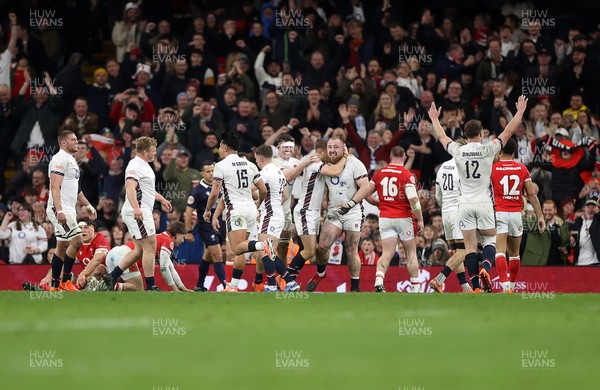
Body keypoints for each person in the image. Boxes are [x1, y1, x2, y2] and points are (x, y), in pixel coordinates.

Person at [427, 95, 528, 292]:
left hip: (463, 205)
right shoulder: (489, 149)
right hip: (484, 203)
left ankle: (475, 287)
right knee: (490, 240)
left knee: (470, 248)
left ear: (465, 135)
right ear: (481, 134)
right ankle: (486, 269)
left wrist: (434, 119)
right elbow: (508, 132)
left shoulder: (457, 150)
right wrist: (520, 112)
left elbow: (441, 137)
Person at [203, 132, 269, 292]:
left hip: (236, 211)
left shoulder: (221, 165)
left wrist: (207, 210)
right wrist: (258, 205)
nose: (219, 148)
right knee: (242, 250)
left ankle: (263, 245)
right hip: (251, 210)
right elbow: (263, 190)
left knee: (237, 248)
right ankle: (233, 286)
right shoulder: (250, 165)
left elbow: (214, 192)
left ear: (224, 147)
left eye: (220, 146)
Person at [106, 136, 172, 291]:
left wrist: (161, 199)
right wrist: (136, 208)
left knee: (139, 250)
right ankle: (151, 286)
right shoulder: (135, 165)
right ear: (144, 152)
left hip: (140, 209)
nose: (155, 154)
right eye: (153, 151)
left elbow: (146, 189)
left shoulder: (144, 165)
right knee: (150, 246)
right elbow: (130, 186)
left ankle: (111, 277)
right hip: (139, 211)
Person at [307, 137, 371, 292]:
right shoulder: (325, 164)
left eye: (336, 147)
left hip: (353, 212)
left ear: (344, 149)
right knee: (322, 247)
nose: (332, 150)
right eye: (330, 147)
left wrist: (350, 204)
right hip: (334, 211)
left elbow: (365, 187)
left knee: (351, 248)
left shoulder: (355, 164)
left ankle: (355, 287)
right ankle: (320, 273)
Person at [282, 140, 348, 285]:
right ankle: (286, 279)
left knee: (314, 249)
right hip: (306, 211)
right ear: (321, 151)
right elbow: (335, 171)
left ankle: (294, 278)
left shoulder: (312, 161)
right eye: (329, 151)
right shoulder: (316, 162)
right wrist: (345, 156)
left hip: (312, 212)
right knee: (310, 250)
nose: (331, 154)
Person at [367, 147, 424, 292]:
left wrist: (377, 203)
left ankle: (379, 281)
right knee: (411, 253)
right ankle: (416, 288)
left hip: (385, 217)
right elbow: (413, 199)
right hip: (404, 217)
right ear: (404, 157)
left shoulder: (380, 173)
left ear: (390, 156)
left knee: (387, 253)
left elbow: (365, 192)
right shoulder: (406, 174)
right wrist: (420, 219)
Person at [491, 138, 545, 292]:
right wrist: (540, 216)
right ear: (514, 152)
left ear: (499, 151)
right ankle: (512, 286)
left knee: (500, 251)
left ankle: (505, 285)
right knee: (514, 254)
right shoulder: (522, 168)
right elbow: (531, 195)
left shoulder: (492, 169)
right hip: (516, 213)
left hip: (500, 212)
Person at [46, 131, 97, 291]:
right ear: (63, 143)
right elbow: (55, 186)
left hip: (68, 208)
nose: (77, 142)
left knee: (61, 247)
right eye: (73, 140)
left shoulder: (72, 160)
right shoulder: (59, 160)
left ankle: (55, 285)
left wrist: (88, 205)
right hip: (59, 208)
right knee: (77, 241)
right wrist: (59, 210)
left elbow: (76, 189)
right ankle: (66, 282)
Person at [429, 153, 475, 293]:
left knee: (456, 251)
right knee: (465, 250)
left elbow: (438, 195)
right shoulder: (463, 167)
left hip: (446, 212)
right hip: (458, 211)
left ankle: (465, 287)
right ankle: (439, 280)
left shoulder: (443, 167)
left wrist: (444, 207)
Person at [185, 161, 227, 291]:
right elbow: (188, 212)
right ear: (202, 173)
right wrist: (189, 231)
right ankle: (226, 286)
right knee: (218, 256)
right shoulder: (198, 190)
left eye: (213, 170)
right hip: (206, 227)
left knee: (208, 255)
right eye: (208, 171)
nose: (211, 173)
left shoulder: (220, 185)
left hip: (221, 224)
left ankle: (199, 285)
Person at [253, 145, 290, 292]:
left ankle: (279, 283)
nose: (256, 162)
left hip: (269, 215)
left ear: (261, 158)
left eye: (256, 159)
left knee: (265, 250)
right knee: (270, 252)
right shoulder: (279, 173)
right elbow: (285, 196)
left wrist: (258, 204)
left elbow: (251, 189)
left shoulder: (265, 173)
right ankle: (280, 284)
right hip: (278, 214)